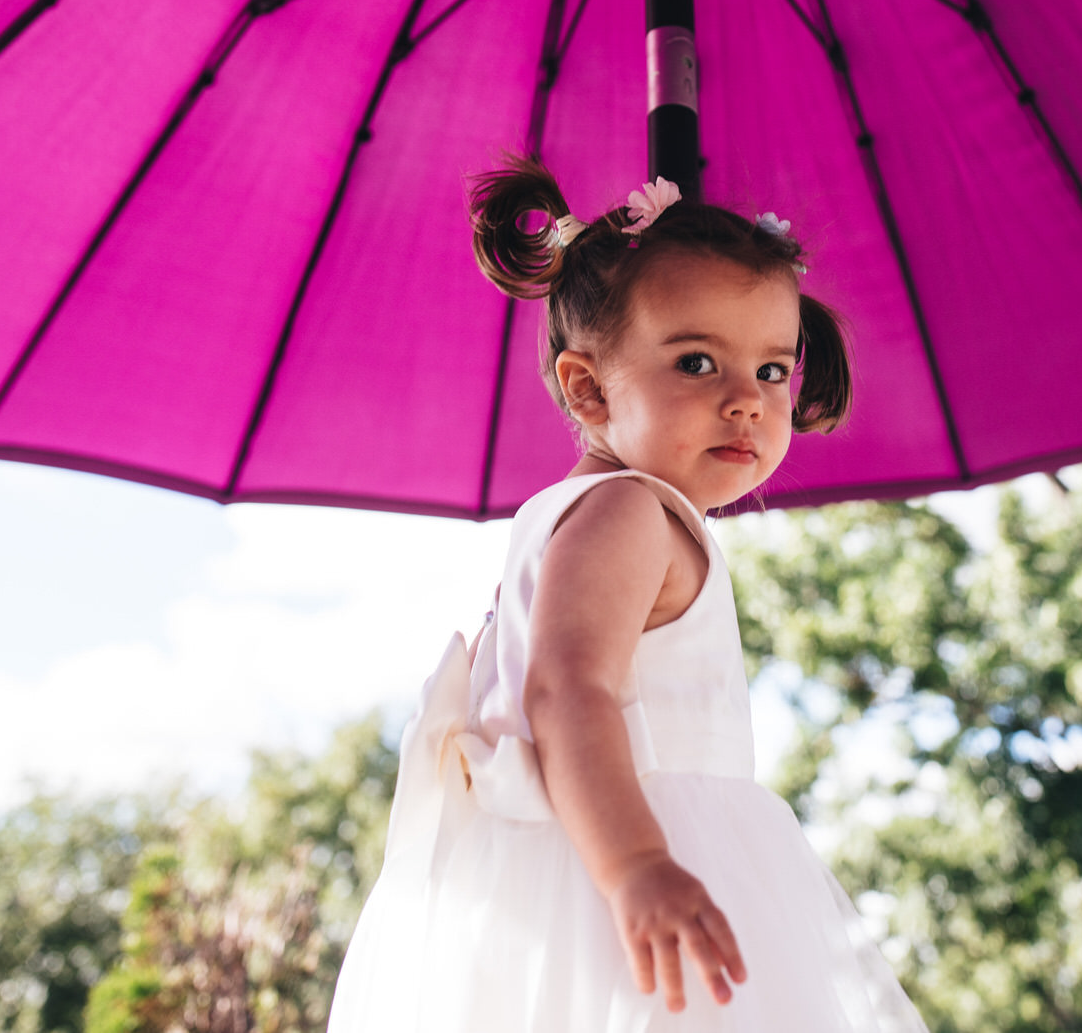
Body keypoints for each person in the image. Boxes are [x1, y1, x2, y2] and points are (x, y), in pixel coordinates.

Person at [325, 158, 926, 1031]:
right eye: (696, 361)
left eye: (771, 371)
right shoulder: (627, 512)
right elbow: (568, 688)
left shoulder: (587, 515)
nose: (746, 402)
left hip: (555, 879)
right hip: (621, 857)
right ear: (590, 386)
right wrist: (639, 863)